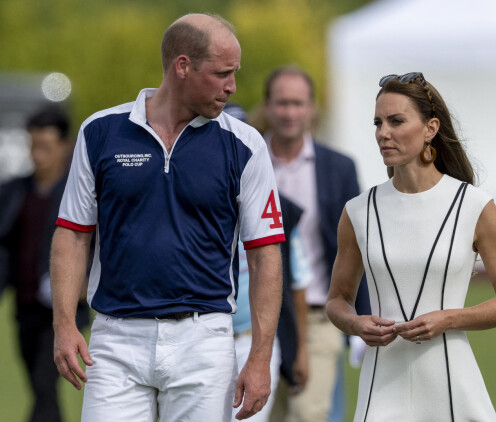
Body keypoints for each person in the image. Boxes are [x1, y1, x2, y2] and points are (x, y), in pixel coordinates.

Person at [49, 14, 284, 422]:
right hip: (115, 340)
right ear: (182, 66)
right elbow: (72, 235)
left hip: (204, 340)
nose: (232, 86)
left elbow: (266, 255)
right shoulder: (100, 132)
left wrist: (261, 357)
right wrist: (64, 325)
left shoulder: (246, 145)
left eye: (234, 73)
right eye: (222, 73)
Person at [326, 72, 496, 421]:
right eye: (378, 122)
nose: (383, 133)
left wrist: (448, 318)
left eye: (396, 121)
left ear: (430, 128)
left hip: (452, 385)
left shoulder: (474, 206)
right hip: (380, 386)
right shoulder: (357, 212)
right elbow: (337, 301)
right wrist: (357, 324)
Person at [258, 66, 370, 422]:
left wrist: (361, 317)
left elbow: (355, 248)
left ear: (312, 108)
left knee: (307, 414)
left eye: (297, 103)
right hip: (257, 320)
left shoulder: (338, 168)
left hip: (319, 315)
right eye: (281, 103)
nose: (289, 112)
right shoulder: (246, 160)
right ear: (267, 107)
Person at [0, 106, 90, 422]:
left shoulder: (80, 194)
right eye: (33, 146)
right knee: (39, 390)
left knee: (44, 384)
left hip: (62, 314)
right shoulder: (13, 192)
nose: (37, 156)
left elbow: (96, 245)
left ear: (64, 146)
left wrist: (84, 285)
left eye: (45, 148)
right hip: (24, 310)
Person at [223, 102, 312, 422]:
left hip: (252, 341)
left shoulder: (278, 206)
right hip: (203, 336)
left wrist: (299, 348)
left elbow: (299, 280)